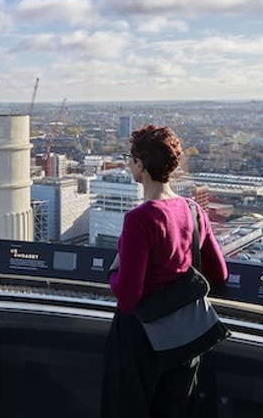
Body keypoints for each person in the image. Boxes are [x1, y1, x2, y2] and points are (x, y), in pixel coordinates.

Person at [101, 125, 227, 418]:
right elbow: (218, 274)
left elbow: (128, 297)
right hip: (185, 334)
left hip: (140, 338)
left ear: (140, 165)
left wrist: (113, 273)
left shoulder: (139, 219)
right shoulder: (193, 210)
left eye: (131, 158)